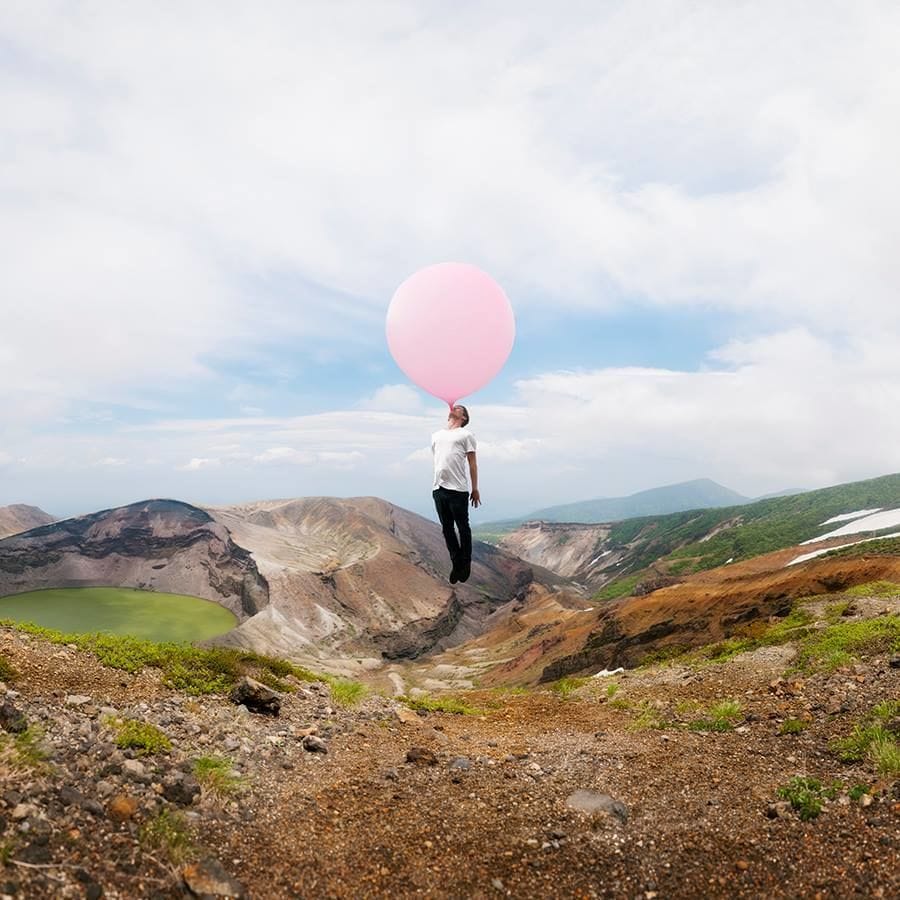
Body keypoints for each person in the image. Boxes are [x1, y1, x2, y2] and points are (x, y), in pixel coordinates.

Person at [431, 404, 480, 583]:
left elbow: (472, 464)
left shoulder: (466, 435)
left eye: (460, 408)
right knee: (446, 528)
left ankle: (465, 562)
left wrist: (475, 488)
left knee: (463, 528)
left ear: (464, 418)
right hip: (438, 488)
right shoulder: (435, 435)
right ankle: (456, 562)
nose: (455, 407)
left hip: (458, 490)